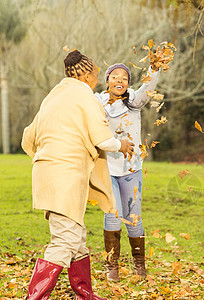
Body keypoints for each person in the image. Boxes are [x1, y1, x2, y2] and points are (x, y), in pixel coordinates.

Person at [22, 50, 134, 299]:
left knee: (76, 236)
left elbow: (28, 138)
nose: (96, 79)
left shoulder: (53, 96)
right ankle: (34, 297)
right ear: (85, 75)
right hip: (66, 176)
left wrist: (47, 160)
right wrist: (122, 145)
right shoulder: (85, 96)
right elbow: (103, 138)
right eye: (95, 73)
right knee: (65, 240)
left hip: (47, 173)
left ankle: (85, 293)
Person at [94, 62, 160, 281]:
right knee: (112, 216)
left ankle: (139, 265)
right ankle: (112, 266)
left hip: (131, 169)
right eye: (114, 77)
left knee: (133, 218)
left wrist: (155, 68)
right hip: (107, 168)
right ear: (107, 81)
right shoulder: (98, 102)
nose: (119, 81)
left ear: (128, 83)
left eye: (124, 77)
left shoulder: (134, 102)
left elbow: (147, 88)